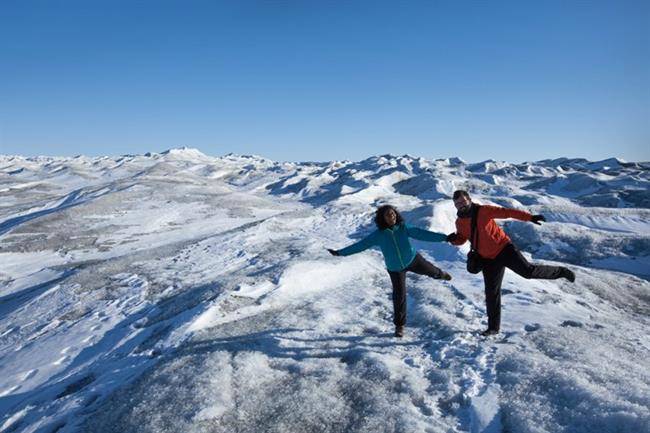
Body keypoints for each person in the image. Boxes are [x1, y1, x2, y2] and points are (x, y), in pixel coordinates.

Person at [446, 190, 576, 336]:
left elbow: (507, 212)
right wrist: (453, 239)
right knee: (491, 292)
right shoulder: (460, 222)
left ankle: (561, 272)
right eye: (457, 204)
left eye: (463, 201)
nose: (461, 205)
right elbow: (462, 238)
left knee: (528, 272)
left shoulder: (484, 211)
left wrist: (530, 217)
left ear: (469, 200)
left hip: (504, 249)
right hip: (487, 259)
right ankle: (493, 328)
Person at [328, 204, 451, 338]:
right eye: (387, 215)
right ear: (382, 218)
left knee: (431, 270)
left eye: (393, 214)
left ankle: (441, 274)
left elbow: (423, 234)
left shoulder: (403, 227)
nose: (391, 217)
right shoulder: (378, 235)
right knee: (399, 296)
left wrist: (445, 238)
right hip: (395, 268)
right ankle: (399, 326)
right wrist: (340, 253)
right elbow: (360, 245)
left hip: (412, 259)